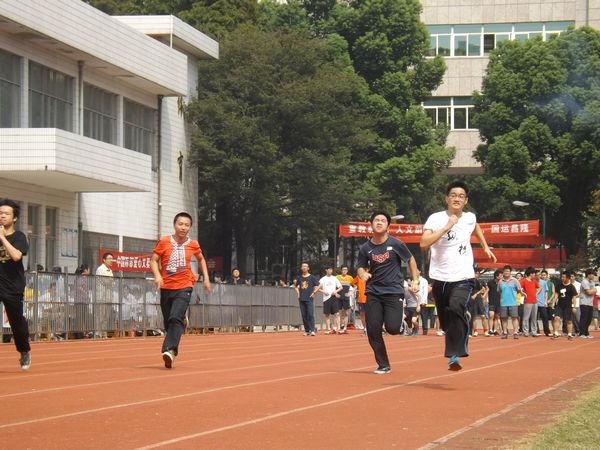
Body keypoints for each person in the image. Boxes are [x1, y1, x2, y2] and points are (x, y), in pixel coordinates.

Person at [420, 181, 497, 371]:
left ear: (466, 200)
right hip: (440, 277)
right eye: (453, 195)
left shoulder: (470, 217)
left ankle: (454, 355)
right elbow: (423, 244)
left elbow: (476, 227)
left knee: (456, 307)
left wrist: (485, 246)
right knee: (447, 321)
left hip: (463, 276)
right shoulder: (435, 218)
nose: (457, 198)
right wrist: (447, 226)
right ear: (447, 199)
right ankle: (460, 326)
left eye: (461, 196)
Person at [357, 211, 419, 374]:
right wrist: (363, 274)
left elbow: (411, 260)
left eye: (383, 220)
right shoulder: (365, 248)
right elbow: (360, 267)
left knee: (392, 328)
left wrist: (415, 281)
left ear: (388, 226)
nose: (379, 222)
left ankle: (400, 320)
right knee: (373, 329)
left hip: (393, 291)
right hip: (373, 292)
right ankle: (383, 364)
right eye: (376, 220)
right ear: (371, 224)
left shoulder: (396, 244)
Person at [151, 212, 212, 368]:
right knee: (168, 322)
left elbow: (201, 259)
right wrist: (158, 276)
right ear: (174, 224)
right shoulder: (164, 241)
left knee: (174, 318)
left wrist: (206, 278)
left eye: (186, 225)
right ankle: (182, 321)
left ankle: (170, 351)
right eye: (180, 224)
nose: (183, 227)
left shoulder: (193, 244)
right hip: (166, 287)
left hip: (185, 285)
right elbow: (153, 260)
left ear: (189, 227)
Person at [0, 198, 31, 371]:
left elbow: (17, 256)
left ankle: (24, 350)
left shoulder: (19, 237)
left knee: (16, 323)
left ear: (14, 218)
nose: (2, 216)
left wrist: (3, 239)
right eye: (0, 213)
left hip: (13, 286)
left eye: (6, 214)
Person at [294, 262, 319, 336]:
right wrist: (298, 293)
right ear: (301, 268)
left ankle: (312, 330)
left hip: (309, 298)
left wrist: (314, 292)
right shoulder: (299, 277)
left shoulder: (312, 277)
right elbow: (295, 286)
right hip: (301, 298)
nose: (304, 267)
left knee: (310, 314)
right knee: (304, 315)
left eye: (306, 266)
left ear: (308, 268)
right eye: (303, 266)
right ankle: (307, 330)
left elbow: (318, 285)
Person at [316, 266, 343, 334]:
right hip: (326, 298)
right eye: (329, 269)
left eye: (331, 269)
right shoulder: (322, 279)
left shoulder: (334, 278)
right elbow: (317, 288)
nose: (331, 271)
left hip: (333, 297)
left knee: (336, 313)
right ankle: (328, 329)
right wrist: (324, 291)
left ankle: (338, 328)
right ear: (326, 270)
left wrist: (335, 291)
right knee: (327, 314)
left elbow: (340, 287)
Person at [553, 271, 578, 340]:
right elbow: (556, 295)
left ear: (568, 278)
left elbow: (574, 297)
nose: (562, 278)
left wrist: (574, 307)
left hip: (568, 306)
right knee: (556, 318)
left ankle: (569, 334)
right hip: (559, 305)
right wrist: (553, 303)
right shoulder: (559, 285)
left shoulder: (571, 287)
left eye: (564, 277)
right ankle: (555, 333)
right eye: (562, 277)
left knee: (568, 320)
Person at [498, 265, 521, 340]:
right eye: (505, 271)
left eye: (508, 271)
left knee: (514, 318)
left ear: (510, 272)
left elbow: (518, 290)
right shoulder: (500, 281)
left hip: (513, 302)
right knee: (504, 318)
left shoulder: (515, 281)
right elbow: (499, 291)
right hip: (503, 303)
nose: (506, 272)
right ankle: (505, 332)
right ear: (503, 272)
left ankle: (516, 332)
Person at [95, 252, 115, 338]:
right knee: (100, 316)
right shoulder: (100, 269)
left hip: (108, 297)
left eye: (112, 259)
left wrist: (110, 281)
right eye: (109, 258)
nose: (111, 260)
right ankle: (98, 333)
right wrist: (110, 280)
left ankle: (104, 333)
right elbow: (106, 281)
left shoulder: (110, 270)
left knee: (106, 316)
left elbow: (113, 283)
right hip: (101, 297)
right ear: (104, 260)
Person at [520, 267, 541, 337]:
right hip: (527, 301)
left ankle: (534, 331)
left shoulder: (534, 281)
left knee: (534, 317)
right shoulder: (523, 281)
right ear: (531, 274)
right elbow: (519, 288)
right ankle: (526, 331)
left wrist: (536, 293)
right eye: (534, 274)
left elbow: (539, 288)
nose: (535, 275)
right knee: (526, 317)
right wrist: (524, 294)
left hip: (535, 301)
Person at [468, 271, 488, 337]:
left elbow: (485, 289)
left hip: (479, 299)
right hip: (472, 300)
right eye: (475, 273)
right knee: (473, 316)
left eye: (477, 273)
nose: (476, 275)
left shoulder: (481, 281)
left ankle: (486, 331)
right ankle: (475, 331)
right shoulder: (469, 281)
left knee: (483, 316)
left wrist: (483, 297)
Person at [579, 269, 597, 338]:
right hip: (584, 303)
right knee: (584, 318)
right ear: (588, 275)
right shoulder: (584, 282)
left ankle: (586, 333)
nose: (593, 276)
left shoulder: (592, 282)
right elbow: (588, 292)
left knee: (589, 319)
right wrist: (593, 291)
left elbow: (595, 290)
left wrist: (592, 291)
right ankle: (582, 333)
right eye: (592, 275)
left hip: (590, 303)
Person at [336, 265, 354, 332]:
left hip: (346, 297)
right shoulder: (337, 277)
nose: (344, 271)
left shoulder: (350, 278)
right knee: (337, 313)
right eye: (343, 269)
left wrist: (350, 293)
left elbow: (355, 286)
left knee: (346, 313)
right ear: (341, 270)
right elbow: (333, 286)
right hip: (338, 297)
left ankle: (345, 327)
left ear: (347, 270)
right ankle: (338, 327)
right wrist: (335, 293)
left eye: (346, 269)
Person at [486, 269, 502, 336]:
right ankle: (490, 330)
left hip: (499, 302)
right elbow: (487, 291)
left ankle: (495, 330)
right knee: (491, 316)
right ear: (496, 276)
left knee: (497, 316)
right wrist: (486, 300)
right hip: (491, 302)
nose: (502, 276)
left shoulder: (502, 283)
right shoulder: (490, 282)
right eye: (500, 275)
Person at [352, 270, 368, 336]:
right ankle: (365, 329)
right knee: (362, 314)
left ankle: (371, 329)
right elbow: (352, 282)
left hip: (369, 298)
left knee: (370, 315)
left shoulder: (370, 276)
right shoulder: (359, 276)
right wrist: (356, 286)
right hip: (361, 299)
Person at [536, 270, 551, 336]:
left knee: (545, 317)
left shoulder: (544, 282)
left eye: (539, 275)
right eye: (537, 275)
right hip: (534, 303)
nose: (538, 276)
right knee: (534, 318)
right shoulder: (532, 282)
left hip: (542, 303)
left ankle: (547, 331)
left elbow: (546, 292)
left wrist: (545, 301)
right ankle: (536, 331)